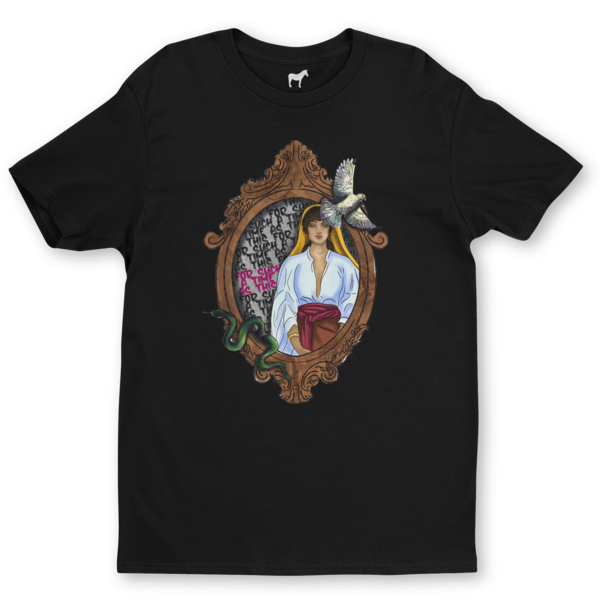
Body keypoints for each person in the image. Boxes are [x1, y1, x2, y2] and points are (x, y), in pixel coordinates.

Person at [271, 203, 360, 355]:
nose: (318, 230)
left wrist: (337, 343)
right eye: (313, 225)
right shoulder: (291, 264)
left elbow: (352, 303)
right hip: (298, 338)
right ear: (306, 229)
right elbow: (285, 305)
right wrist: (298, 348)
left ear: (330, 229)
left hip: (336, 337)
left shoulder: (345, 265)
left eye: (324, 225)